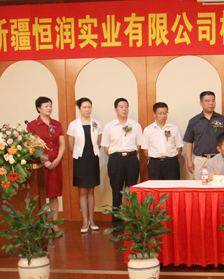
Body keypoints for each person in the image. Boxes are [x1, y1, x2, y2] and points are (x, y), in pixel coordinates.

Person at [100, 98, 142, 227]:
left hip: (131, 159)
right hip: (115, 160)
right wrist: (117, 156)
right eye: (121, 107)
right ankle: (117, 222)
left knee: (132, 191)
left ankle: (132, 221)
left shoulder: (135, 125)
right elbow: (106, 147)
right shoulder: (109, 127)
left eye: (126, 106)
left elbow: (139, 145)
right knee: (116, 191)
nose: (124, 109)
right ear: (115, 109)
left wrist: (129, 155)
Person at [27, 96, 65, 227]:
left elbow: (62, 143)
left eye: (50, 106)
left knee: (54, 195)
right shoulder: (32, 125)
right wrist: (45, 162)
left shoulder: (56, 124)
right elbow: (31, 147)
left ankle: (55, 225)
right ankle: (42, 225)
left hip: (56, 164)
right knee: (41, 195)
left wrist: (57, 159)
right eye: (46, 106)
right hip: (41, 166)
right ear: (39, 108)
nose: (49, 108)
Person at [66, 97, 102, 233]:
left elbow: (99, 142)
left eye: (89, 107)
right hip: (80, 160)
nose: (87, 110)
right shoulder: (73, 124)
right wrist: (79, 153)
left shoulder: (96, 123)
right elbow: (70, 145)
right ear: (79, 109)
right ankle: (84, 221)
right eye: (84, 107)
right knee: (82, 191)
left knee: (91, 190)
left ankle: (92, 220)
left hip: (92, 159)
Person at [183, 91, 224, 180]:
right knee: (199, 184)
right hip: (200, 159)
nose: (211, 103)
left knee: (219, 183)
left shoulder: (222, 119)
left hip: (219, 158)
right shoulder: (194, 121)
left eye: (213, 100)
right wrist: (189, 161)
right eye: (207, 101)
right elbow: (189, 142)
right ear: (201, 103)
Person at [141, 102, 183, 180]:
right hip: (155, 164)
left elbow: (179, 148)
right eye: (160, 113)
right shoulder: (148, 130)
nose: (163, 116)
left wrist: (170, 158)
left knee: (173, 186)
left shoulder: (174, 128)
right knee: (156, 186)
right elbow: (146, 151)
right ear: (154, 114)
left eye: (165, 113)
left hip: (171, 163)